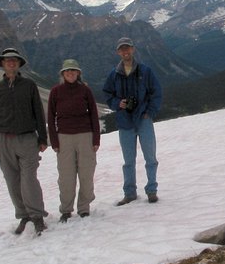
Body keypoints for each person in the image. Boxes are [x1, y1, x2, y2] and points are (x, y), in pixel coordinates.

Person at [0, 48, 48, 235]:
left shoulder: (29, 85)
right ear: (3, 64)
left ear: (19, 64)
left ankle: (36, 216)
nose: (11, 63)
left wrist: (43, 138)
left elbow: (38, 111)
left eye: (14, 60)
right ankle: (24, 216)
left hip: (28, 137)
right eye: (7, 61)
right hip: (4, 139)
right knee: (12, 180)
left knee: (29, 179)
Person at [103, 37, 162, 205]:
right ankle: (130, 193)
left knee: (150, 157)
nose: (125, 51)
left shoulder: (145, 71)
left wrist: (149, 112)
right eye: (122, 49)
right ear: (118, 52)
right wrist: (117, 103)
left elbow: (156, 93)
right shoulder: (113, 74)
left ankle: (152, 190)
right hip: (125, 121)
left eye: (127, 48)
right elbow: (107, 94)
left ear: (133, 49)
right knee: (128, 161)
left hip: (143, 119)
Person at [47, 59, 101, 223]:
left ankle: (84, 208)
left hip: (85, 135)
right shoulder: (55, 91)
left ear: (78, 73)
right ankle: (66, 209)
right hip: (64, 137)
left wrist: (96, 139)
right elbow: (50, 116)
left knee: (86, 174)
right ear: (63, 74)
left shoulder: (85, 90)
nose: (70, 73)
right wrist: (54, 141)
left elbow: (93, 114)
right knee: (66, 177)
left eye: (73, 70)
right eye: (67, 71)